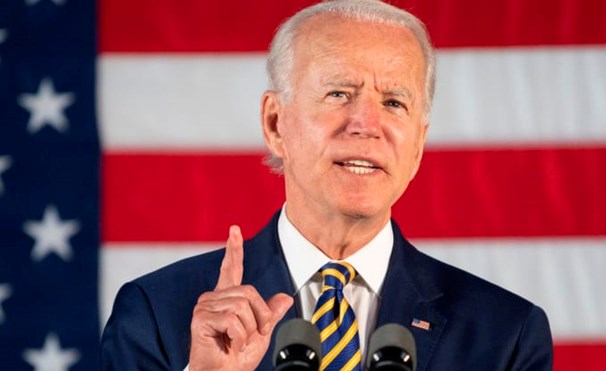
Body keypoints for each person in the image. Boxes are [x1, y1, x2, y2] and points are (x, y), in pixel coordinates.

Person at [101, 0, 553, 370]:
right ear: (276, 123)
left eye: (394, 102)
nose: (367, 124)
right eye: (339, 94)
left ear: (417, 145)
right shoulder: (157, 314)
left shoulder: (505, 335)